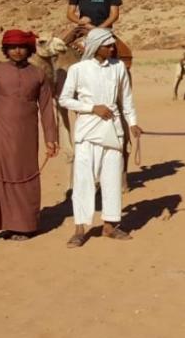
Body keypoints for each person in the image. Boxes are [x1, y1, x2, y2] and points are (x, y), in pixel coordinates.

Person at [0, 29, 59, 246]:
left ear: (29, 49)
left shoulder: (38, 74)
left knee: (25, 177)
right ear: (6, 50)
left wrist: (51, 137)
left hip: (26, 136)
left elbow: (47, 108)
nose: (17, 51)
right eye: (12, 47)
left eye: (21, 47)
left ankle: (23, 225)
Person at [58, 28, 140, 248]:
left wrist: (133, 123)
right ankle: (79, 228)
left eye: (113, 45)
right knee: (84, 181)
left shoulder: (119, 67)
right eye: (108, 45)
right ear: (95, 46)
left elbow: (127, 98)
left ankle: (110, 225)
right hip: (87, 133)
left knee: (112, 180)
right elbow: (65, 99)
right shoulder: (78, 70)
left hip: (113, 132)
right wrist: (92, 108)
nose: (113, 48)